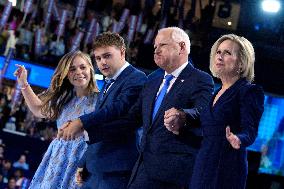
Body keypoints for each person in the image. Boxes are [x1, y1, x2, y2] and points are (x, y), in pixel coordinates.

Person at [91, 27, 214, 188]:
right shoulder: (151, 82)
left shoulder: (200, 79)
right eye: (155, 47)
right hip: (142, 169)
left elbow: (204, 111)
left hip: (172, 174)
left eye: (162, 45)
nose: (156, 50)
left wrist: (183, 116)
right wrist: (89, 131)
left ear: (182, 47)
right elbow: (131, 119)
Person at [57, 32, 147, 189]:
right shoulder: (108, 82)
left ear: (122, 52)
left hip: (116, 170)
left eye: (107, 56)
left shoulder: (137, 78)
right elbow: (100, 125)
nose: (102, 62)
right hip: (94, 170)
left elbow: (118, 108)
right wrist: (83, 162)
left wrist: (81, 122)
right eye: (98, 58)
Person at [188, 34, 264, 189]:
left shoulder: (248, 91)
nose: (220, 56)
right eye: (218, 52)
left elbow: (250, 130)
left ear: (242, 63)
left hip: (225, 169)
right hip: (202, 166)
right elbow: (204, 125)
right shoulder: (215, 93)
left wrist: (238, 138)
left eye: (227, 53)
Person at [14, 50, 99, 188]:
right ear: (66, 74)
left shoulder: (101, 100)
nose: (78, 72)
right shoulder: (63, 99)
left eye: (82, 67)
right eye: (72, 69)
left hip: (83, 161)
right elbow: (37, 109)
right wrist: (23, 83)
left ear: (90, 68)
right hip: (58, 159)